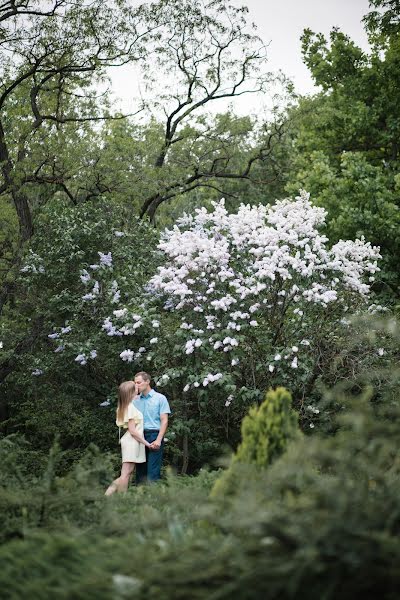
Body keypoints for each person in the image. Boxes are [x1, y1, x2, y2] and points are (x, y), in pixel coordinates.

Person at [105, 380, 152, 495]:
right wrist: (147, 443)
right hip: (132, 441)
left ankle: (110, 496)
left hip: (132, 441)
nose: (138, 388)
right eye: (135, 387)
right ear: (131, 392)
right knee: (126, 473)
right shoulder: (130, 407)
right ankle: (119, 499)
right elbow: (133, 431)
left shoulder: (127, 405)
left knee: (128, 473)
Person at [133, 371, 171, 483]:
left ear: (147, 381)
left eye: (139, 382)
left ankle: (154, 499)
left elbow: (164, 421)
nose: (136, 385)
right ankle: (139, 499)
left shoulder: (160, 398)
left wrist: (158, 440)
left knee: (153, 472)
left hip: (154, 435)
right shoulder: (135, 401)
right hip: (139, 436)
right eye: (135, 383)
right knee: (140, 472)